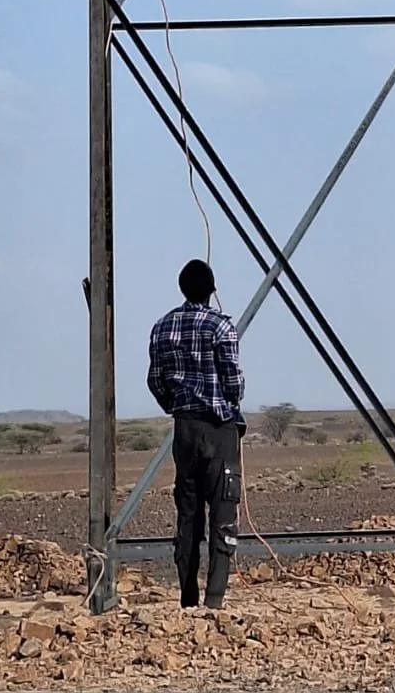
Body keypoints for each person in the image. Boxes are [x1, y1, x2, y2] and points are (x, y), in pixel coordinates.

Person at [147, 258, 245, 610]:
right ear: (212, 290)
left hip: (184, 429)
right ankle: (214, 600)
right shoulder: (221, 327)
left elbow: (155, 382)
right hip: (219, 430)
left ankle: (187, 597)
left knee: (188, 514)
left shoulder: (162, 328)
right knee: (223, 512)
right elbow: (233, 382)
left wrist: (176, 405)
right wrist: (229, 400)